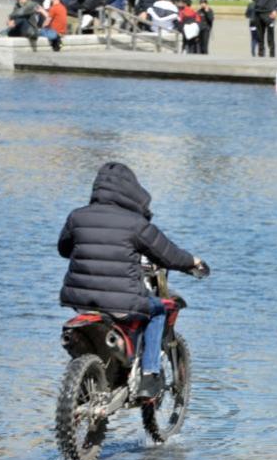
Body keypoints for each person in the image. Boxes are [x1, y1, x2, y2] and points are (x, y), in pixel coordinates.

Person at [57, 163, 207, 402]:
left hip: (80, 302)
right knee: (159, 309)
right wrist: (194, 262)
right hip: (122, 304)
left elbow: (64, 249)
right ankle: (149, 375)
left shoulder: (77, 216)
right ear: (131, 191)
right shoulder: (136, 224)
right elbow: (169, 255)